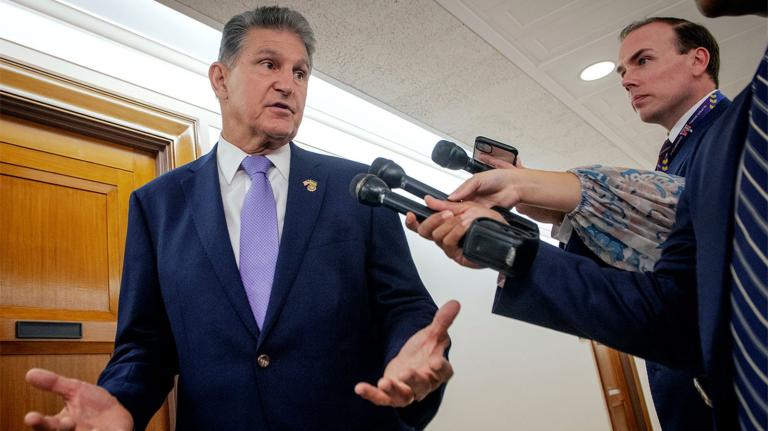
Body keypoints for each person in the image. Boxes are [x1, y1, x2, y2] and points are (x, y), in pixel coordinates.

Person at [23, 7, 459, 431]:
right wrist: (121, 402)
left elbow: (404, 304)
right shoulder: (158, 205)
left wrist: (412, 352)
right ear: (220, 79)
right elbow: (145, 346)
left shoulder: (359, 188)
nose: (287, 84)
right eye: (269, 64)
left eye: (300, 73)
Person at [408, 0, 767, 428]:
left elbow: (686, 206)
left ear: (698, 59)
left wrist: (547, 187)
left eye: (643, 60)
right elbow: (666, 290)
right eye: (622, 72)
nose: (629, 79)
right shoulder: (678, 154)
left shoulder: (733, 129)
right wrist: (528, 231)